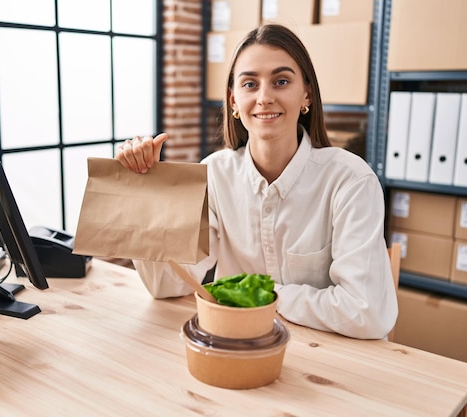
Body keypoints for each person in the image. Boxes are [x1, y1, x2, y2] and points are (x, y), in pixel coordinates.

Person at [115, 24, 398, 340]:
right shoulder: (215, 174)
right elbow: (167, 285)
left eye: (281, 81)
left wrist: (258, 294)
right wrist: (143, 194)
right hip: (241, 346)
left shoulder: (351, 180)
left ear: (306, 94)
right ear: (234, 101)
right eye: (250, 84)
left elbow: (366, 313)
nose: (264, 98)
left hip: (336, 359)